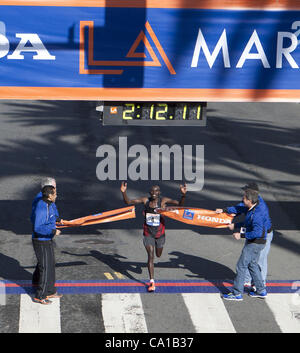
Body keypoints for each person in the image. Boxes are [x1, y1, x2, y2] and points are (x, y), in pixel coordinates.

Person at [120, 182, 187, 292]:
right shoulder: (145, 201)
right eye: (152, 191)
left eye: (156, 191)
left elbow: (179, 204)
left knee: (158, 254)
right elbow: (128, 202)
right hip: (148, 233)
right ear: (149, 193)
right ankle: (152, 282)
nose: (154, 193)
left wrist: (183, 195)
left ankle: (158, 250)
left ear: (159, 193)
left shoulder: (163, 201)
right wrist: (123, 192)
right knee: (150, 256)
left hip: (160, 234)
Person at [216, 182, 273, 287]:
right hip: (252, 232)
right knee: (251, 261)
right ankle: (247, 280)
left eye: (245, 192)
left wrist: (241, 234)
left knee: (259, 260)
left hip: (262, 236)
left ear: (252, 194)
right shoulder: (251, 202)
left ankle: (260, 284)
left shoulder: (259, 210)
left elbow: (257, 232)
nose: (243, 195)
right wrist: (224, 210)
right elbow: (239, 208)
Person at [221, 189, 268, 301]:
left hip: (255, 243)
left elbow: (257, 232)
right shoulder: (252, 209)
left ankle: (237, 293)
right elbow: (247, 222)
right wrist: (235, 225)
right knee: (252, 265)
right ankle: (261, 290)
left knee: (241, 266)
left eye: (244, 198)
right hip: (258, 242)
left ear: (250, 200)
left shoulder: (256, 214)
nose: (243, 199)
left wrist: (241, 235)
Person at [31, 185, 63, 304]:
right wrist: (53, 231)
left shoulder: (48, 204)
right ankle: (40, 295)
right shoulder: (42, 207)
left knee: (50, 265)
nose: (56, 195)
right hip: (41, 241)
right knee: (45, 267)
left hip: (47, 240)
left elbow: (51, 215)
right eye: (54, 194)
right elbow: (38, 227)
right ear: (49, 196)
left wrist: (58, 220)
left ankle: (50, 290)